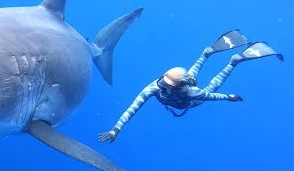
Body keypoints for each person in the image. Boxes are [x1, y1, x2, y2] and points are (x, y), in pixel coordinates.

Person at [98, 29, 284, 143]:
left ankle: (233, 62)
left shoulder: (192, 93)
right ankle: (206, 54)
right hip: (184, 92)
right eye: (163, 82)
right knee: (192, 74)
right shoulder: (156, 87)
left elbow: (213, 96)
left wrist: (229, 97)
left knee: (212, 86)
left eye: (167, 86)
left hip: (187, 100)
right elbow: (133, 108)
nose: (163, 87)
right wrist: (116, 129)